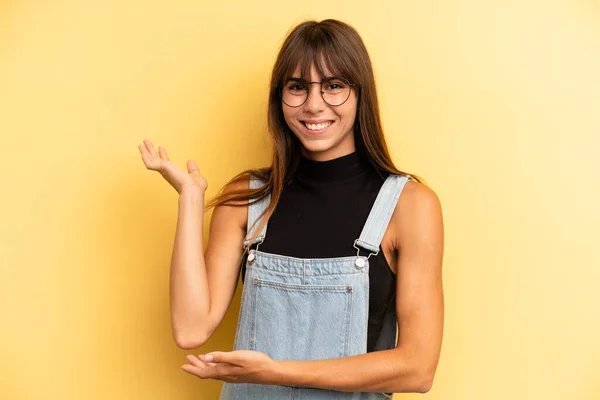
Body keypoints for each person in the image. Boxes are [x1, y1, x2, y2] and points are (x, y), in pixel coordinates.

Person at [138, 19, 444, 399]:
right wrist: (189, 198)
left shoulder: (409, 205)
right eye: (297, 87)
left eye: (334, 86)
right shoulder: (246, 199)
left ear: (360, 94)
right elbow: (190, 328)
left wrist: (275, 372)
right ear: (279, 98)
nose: (314, 105)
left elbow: (417, 370)